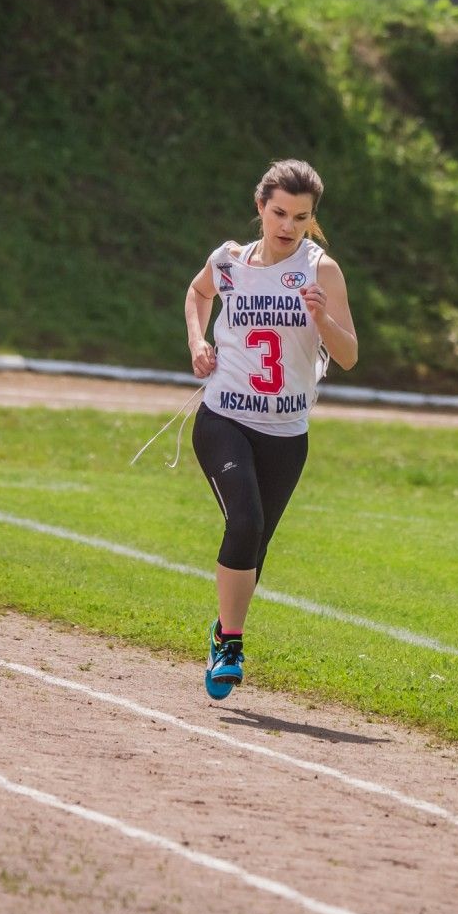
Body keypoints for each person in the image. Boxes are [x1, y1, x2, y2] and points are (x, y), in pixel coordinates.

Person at [184, 159, 358, 699]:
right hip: (224, 417)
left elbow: (349, 355)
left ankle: (223, 628)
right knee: (246, 520)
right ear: (260, 207)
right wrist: (197, 342)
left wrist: (323, 319)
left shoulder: (321, 270)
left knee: (255, 545)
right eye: (279, 213)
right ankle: (231, 645)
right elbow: (198, 294)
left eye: (301, 217)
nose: (288, 226)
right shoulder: (229, 260)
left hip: (286, 432)